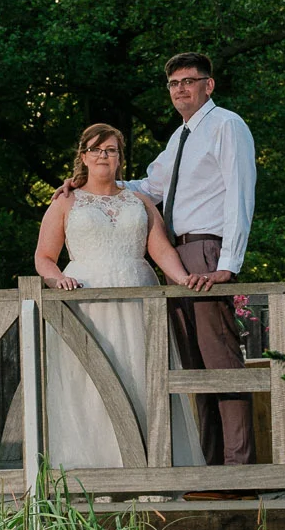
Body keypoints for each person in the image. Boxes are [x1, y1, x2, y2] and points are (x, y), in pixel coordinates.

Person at [33, 124, 193, 468]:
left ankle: (151, 467)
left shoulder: (140, 201)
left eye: (110, 149)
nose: (102, 155)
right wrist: (57, 280)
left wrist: (184, 279)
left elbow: (161, 250)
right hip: (86, 299)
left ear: (120, 157)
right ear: (83, 157)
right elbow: (44, 256)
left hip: (138, 297)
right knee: (91, 382)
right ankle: (97, 469)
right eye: (95, 149)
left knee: (142, 375)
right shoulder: (66, 201)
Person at [126, 53, 258, 468]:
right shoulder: (179, 137)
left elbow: (240, 192)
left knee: (221, 360)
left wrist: (228, 263)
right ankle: (211, 467)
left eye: (188, 81)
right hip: (176, 255)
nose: (180, 89)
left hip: (206, 251)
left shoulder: (226, 126)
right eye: (173, 83)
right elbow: (150, 188)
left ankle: (238, 470)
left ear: (208, 85)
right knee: (194, 365)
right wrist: (91, 186)